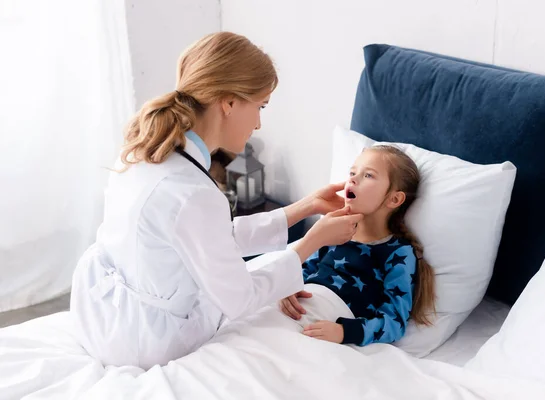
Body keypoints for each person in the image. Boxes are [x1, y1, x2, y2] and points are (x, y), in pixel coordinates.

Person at [70, 31, 363, 369]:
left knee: (248, 273)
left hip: (97, 315)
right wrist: (313, 241)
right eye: (260, 106)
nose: (258, 122)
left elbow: (208, 236)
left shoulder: (144, 151)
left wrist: (306, 207)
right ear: (228, 102)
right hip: (144, 341)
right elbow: (239, 299)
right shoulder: (191, 190)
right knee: (244, 285)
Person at [280, 145, 436, 346]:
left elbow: (394, 321)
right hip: (294, 310)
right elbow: (306, 268)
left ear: (394, 198)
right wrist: (287, 288)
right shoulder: (333, 229)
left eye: (368, 175)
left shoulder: (398, 253)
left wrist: (344, 332)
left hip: (322, 324)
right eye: (352, 173)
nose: (352, 179)